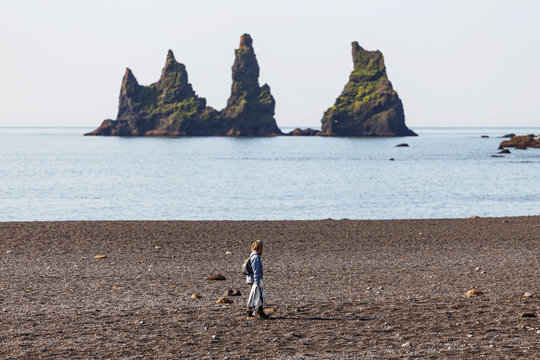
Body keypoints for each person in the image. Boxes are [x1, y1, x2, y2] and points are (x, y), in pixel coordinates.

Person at [246, 240, 268, 319]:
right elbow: (256, 271)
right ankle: (251, 313)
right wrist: (257, 282)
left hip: (252, 279)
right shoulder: (256, 257)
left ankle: (259, 312)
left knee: (256, 296)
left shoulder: (252, 255)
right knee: (255, 296)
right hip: (254, 280)